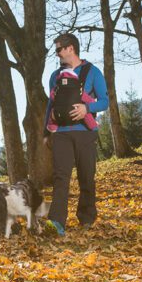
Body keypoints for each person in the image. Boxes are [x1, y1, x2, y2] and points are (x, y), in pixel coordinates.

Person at [44, 33, 109, 235]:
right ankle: (57, 223)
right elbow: (50, 104)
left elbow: (105, 101)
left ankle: (87, 218)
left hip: (85, 132)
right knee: (60, 177)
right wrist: (46, 131)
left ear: (70, 48)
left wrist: (86, 109)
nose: (57, 54)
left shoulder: (93, 72)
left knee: (86, 176)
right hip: (61, 134)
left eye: (58, 50)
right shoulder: (55, 76)